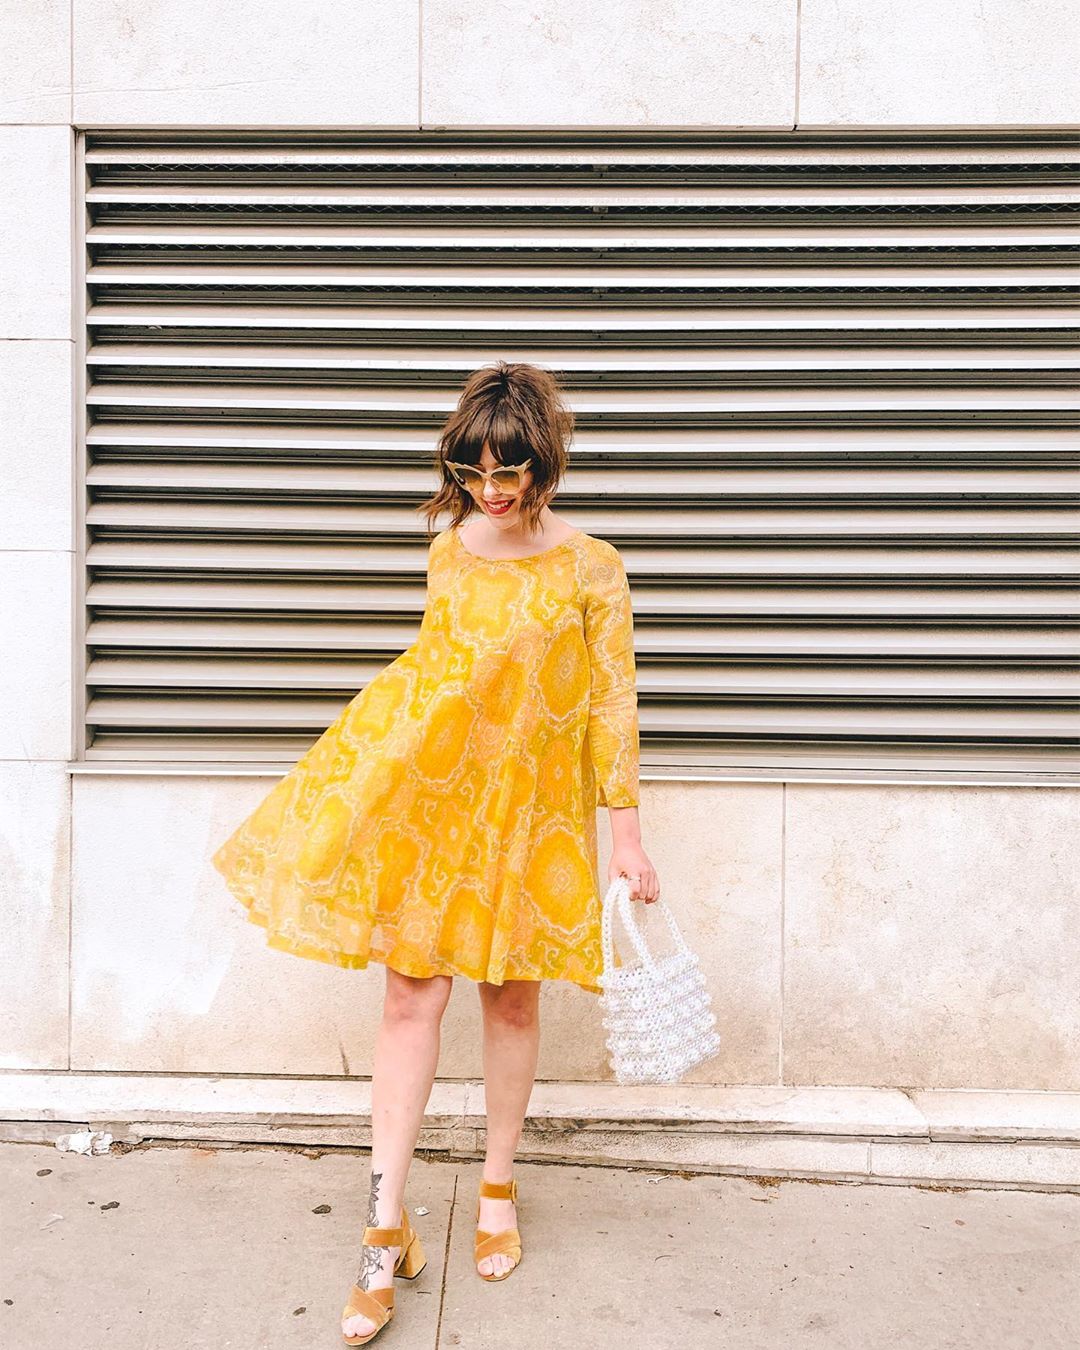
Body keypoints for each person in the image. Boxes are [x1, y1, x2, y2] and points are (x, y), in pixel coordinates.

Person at [211, 360, 659, 1346]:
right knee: (411, 993)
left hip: (534, 820)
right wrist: (363, 776)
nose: (493, 492)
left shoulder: (595, 566)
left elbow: (610, 703)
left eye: (511, 473)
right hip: (438, 812)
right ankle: (383, 1226)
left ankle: (497, 1185)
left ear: (548, 463)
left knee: (512, 994)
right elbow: (434, 678)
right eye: (475, 470)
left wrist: (624, 832)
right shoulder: (451, 548)